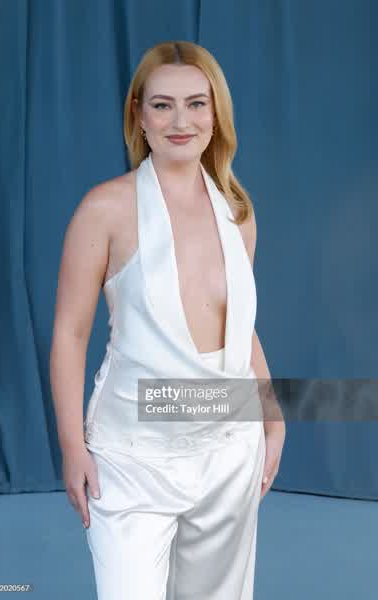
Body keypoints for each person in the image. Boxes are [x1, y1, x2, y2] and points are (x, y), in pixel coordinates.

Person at [50, 40, 285, 600]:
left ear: (216, 113)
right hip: (132, 454)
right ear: (139, 114)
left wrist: (272, 417)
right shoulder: (104, 209)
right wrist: (71, 446)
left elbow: (240, 327)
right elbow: (70, 334)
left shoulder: (239, 213)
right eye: (162, 105)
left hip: (228, 449)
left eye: (196, 104)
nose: (181, 121)